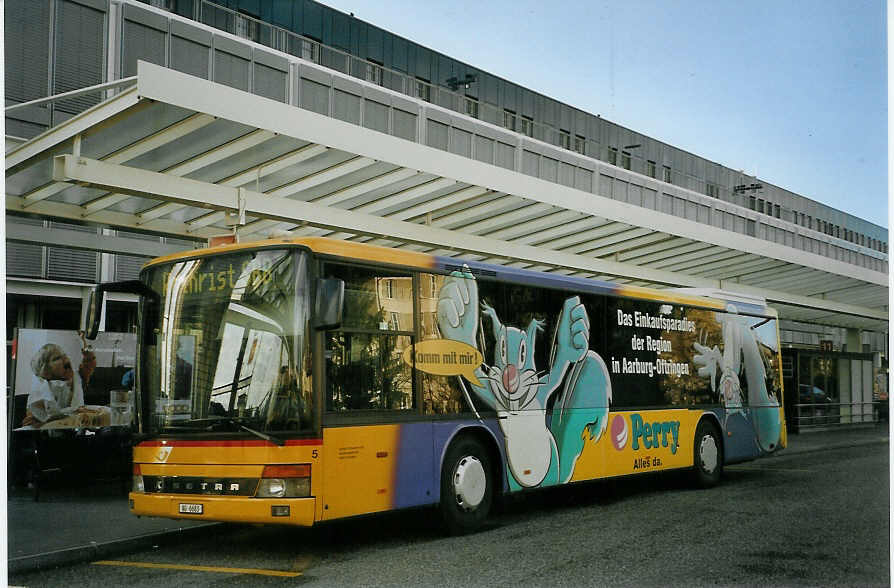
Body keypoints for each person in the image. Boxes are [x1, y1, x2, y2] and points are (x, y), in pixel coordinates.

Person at [22, 343, 96, 427]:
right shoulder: (41, 388)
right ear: (46, 371)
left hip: (80, 426)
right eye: (57, 358)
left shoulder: (77, 376)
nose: (64, 358)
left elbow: (90, 363)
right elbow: (33, 415)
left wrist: (84, 345)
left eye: (64, 355)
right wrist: (33, 419)